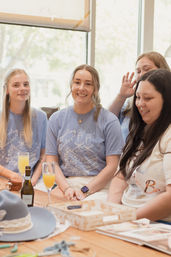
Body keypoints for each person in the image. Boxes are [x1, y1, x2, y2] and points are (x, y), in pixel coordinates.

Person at [46, 64, 124, 201]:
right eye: (77, 82)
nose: (81, 88)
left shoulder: (109, 121)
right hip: (66, 184)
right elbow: (51, 162)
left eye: (88, 84)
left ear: (95, 89)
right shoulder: (56, 119)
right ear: (71, 85)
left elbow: (112, 166)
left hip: (98, 186)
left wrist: (85, 190)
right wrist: (67, 188)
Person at [108, 69, 171, 222]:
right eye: (137, 97)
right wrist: (111, 210)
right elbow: (120, 177)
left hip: (156, 223)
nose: (140, 104)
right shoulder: (140, 131)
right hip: (126, 216)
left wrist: (128, 217)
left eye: (148, 98)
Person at [0, 68, 47, 188]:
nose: (22, 88)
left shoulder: (41, 117)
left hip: (31, 180)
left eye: (26, 84)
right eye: (16, 85)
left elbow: (44, 155)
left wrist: (33, 181)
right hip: (3, 178)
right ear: (7, 90)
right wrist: (12, 176)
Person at [109, 51, 170, 141]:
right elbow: (106, 122)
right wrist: (121, 96)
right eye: (138, 71)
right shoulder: (131, 102)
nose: (141, 74)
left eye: (146, 69)